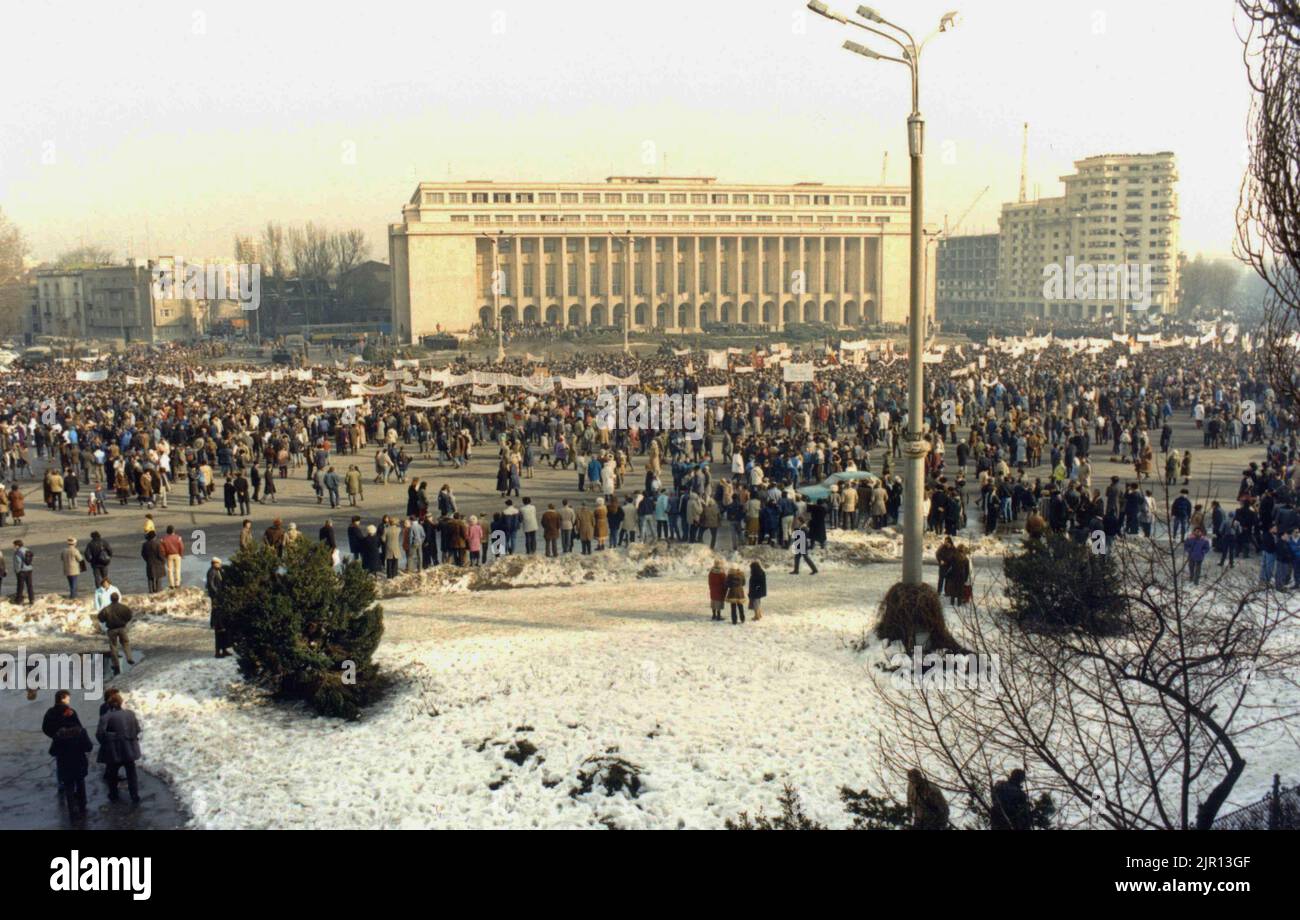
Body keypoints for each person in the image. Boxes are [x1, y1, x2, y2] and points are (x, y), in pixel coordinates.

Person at [96, 689, 142, 804]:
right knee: (131, 774)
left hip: (113, 751)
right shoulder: (130, 714)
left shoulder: (106, 717)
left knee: (112, 774)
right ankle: (134, 795)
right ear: (121, 703)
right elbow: (137, 729)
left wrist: (106, 743)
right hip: (129, 749)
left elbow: (99, 734)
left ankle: (113, 794)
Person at [48, 701, 93, 819]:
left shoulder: (59, 734)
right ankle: (83, 806)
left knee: (69, 786)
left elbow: (52, 751)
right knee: (80, 783)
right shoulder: (81, 731)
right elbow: (89, 747)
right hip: (79, 763)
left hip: (64, 765)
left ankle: (72, 810)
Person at [97, 592, 135, 675]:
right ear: (118, 598)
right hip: (122, 628)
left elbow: (100, 618)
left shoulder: (107, 609)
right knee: (125, 643)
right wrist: (125, 621)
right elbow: (130, 615)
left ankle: (116, 665)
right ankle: (129, 658)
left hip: (111, 630)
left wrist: (106, 621)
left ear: (111, 599)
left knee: (113, 647)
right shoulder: (123, 607)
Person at [207, 558, 230, 657]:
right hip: (217, 597)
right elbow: (211, 584)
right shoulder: (212, 572)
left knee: (223, 630)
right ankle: (219, 651)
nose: (220, 565)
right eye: (219, 564)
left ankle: (224, 649)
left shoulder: (217, 571)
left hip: (219, 598)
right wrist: (217, 593)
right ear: (214, 563)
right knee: (220, 629)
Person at [160, 525, 185, 589]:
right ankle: (177, 584)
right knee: (177, 570)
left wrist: (165, 555)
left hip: (169, 555)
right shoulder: (178, 538)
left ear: (167, 531)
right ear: (173, 531)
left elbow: (162, 549)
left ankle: (171, 585)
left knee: (170, 570)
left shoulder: (163, 539)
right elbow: (181, 547)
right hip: (177, 555)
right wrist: (181, 554)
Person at [12, 539, 34, 605]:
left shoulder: (18, 552)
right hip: (29, 570)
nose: (13, 547)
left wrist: (17, 571)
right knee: (30, 585)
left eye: (14, 545)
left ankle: (19, 600)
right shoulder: (27, 549)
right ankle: (31, 599)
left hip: (22, 571)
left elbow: (18, 562)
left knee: (20, 586)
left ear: (17, 545)